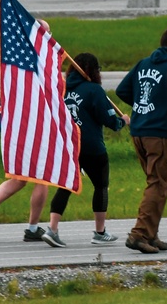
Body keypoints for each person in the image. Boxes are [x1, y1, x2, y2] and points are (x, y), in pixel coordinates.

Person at [115, 27, 167, 254]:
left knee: (155, 183)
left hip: (139, 133)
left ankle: (151, 234)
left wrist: (145, 106)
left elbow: (122, 90)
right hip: (159, 135)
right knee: (158, 184)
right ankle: (139, 234)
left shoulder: (144, 64)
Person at [42, 52, 129, 247]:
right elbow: (109, 121)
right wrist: (122, 121)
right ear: (93, 71)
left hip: (68, 146)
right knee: (100, 186)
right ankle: (99, 232)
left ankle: (52, 229)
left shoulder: (61, 89)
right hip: (91, 147)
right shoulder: (94, 90)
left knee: (65, 186)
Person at [0, 19, 51, 242]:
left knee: (19, 177)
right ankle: (32, 228)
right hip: (32, 125)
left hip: (10, 128)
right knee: (43, 178)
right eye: (47, 34)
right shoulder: (38, 61)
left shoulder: (10, 60)